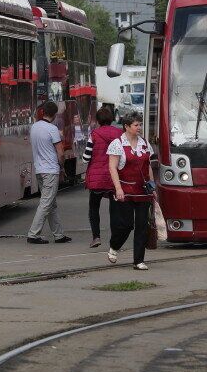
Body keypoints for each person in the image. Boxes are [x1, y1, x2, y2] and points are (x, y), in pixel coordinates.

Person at [106, 112, 154, 270]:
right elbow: (112, 167)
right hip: (125, 189)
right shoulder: (117, 143)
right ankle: (114, 245)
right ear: (126, 126)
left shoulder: (145, 144)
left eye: (140, 124)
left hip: (143, 190)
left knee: (142, 226)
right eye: (136, 125)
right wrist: (118, 188)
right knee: (126, 224)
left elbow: (148, 166)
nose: (139, 127)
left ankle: (138, 260)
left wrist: (152, 186)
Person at [27, 101, 72, 244]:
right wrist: (62, 168)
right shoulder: (52, 129)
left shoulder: (34, 127)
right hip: (51, 170)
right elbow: (60, 152)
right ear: (55, 114)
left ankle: (59, 235)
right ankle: (33, 234)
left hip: (39, 170)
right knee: (46, 202)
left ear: (42, 112)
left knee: (51, 203)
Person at [82, 106, 123, 248]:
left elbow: (86, 158)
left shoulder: (94, 134)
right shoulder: (120, 134)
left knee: (94, 207)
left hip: (97, 177)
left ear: (98, 120)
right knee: (115, 209)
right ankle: (115, 239)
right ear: (111, 119)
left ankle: (96, 237)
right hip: (115, 177)